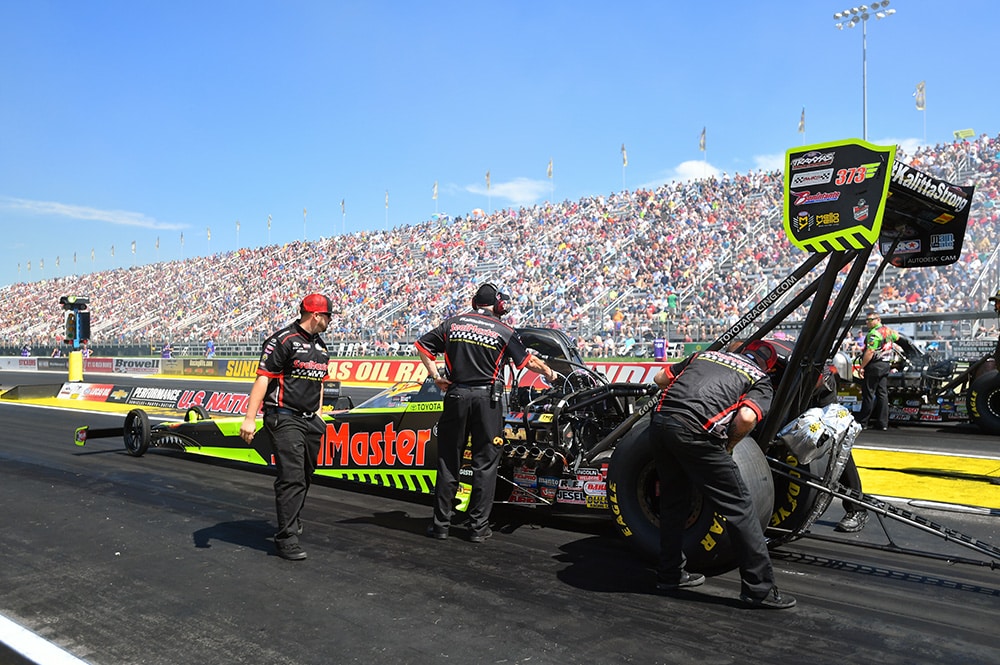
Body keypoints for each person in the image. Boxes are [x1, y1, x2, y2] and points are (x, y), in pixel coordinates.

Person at [649, 340, 796, 609]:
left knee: (672, 502)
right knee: (739, 509)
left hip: (660, 422)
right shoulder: (760, 379)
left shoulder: (703, 356)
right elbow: (747, 418)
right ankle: (759, 590)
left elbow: (660, 378)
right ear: (770, 366)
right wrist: (729, 444)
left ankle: (669, 574)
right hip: (696, 432)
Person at [415, 283, 558, 543]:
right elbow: (529, 362)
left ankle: (441, 526)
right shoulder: (503, 329)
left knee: (449, 460)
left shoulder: (453, 323)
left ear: (474, 303)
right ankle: (477, 529)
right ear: (499, 304)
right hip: (486, 400)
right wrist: (551, 373)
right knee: (485, 463)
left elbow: (422, 346)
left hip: (456, 395)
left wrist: (436, 376)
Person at [240, 294, 332, 561]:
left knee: (305, 474)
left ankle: (292, 518)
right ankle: (286, 538)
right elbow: (262, 379)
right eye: (328, 316)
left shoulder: (322, 347)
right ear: (316, 315)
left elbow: (320, 383)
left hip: (309, 419)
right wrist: (249, 418)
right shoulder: (282, 340)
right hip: (283, 417)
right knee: (291, 477)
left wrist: (319, 413)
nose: (329, 321)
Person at [855, 311, 899, 431]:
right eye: (866, 320)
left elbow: (870, 352)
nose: (867, 322)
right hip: (885, 365)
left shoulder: (874, 334)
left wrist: (862, 367)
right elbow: (897, 336)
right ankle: (883, 423)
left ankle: (863, 422)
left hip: (874, 366)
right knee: (882, 394)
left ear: (877, 320)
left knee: (868, 394)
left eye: (870, 320)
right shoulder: (888, 331)